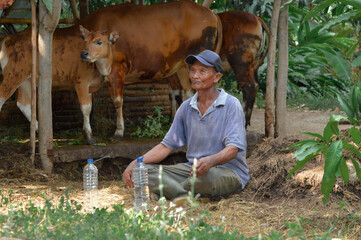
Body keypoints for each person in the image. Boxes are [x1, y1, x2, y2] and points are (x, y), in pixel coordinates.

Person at [123, 50, 249, 204]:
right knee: (143, 172)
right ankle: (186, 196)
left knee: (206, 178)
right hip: (191, 170)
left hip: (226, 171)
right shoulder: (186, 107)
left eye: (202, 71)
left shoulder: (231, 105)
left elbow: (233, 149)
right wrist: (137, 162)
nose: (195, 76)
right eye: (193, 70)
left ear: (217, 77)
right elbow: (165, 146)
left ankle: (171, 192)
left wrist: (211, 161)